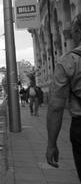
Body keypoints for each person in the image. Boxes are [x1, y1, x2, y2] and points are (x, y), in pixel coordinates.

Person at [46, 14, 81, 181]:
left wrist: (51, 144)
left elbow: (56, 107)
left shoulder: (69, 61)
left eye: (73, 31)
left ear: (78, 31)